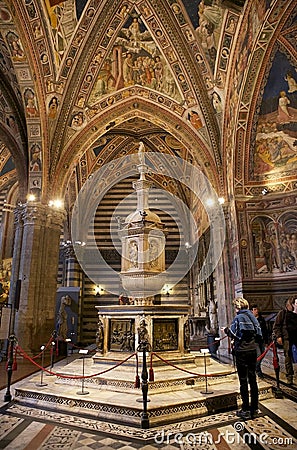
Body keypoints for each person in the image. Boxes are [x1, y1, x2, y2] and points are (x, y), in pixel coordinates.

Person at [222, 297, 262, 420]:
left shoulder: (239, 318)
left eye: (236, 307)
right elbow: (259, 333)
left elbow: (234, 334)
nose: (235, 309)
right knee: (253, 380)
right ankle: (255, 408)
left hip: (242, 352)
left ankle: (245, 409)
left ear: (238, 307)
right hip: (252, 351)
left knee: (243, 381)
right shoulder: (252, 317)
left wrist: (226, 331)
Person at [273, 297, 297, 385]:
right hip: (287, 339)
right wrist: (279, 336)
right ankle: (289, 376)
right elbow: (276, 326)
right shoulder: (282, 313)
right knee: (288, 358)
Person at [251, 304, 268, 378]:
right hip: (255, 341)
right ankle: (257, 369)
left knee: (262, 354)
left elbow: (265, 330)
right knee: (258, 354)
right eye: (254, 310)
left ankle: (257, 367)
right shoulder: (251, 320)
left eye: (257, 309)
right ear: (251, 311)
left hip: (261, 340)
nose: (256, 311)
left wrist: (266, 341)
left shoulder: (261, 319)